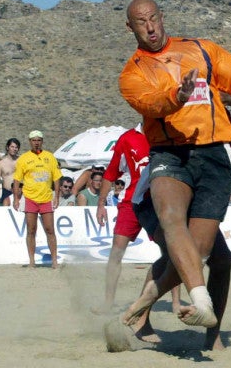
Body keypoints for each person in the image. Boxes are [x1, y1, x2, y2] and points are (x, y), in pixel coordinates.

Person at [118, 0, 231, 328]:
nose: (150, 26)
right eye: (141, 22)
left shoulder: (201, 49)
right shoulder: (132, 73)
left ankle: (140, 307)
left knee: (201, 253)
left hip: (212, 159)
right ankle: (199, 302)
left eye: (154, 17)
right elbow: (151, 104)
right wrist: (176, 96)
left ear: (162, 15)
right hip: (170, 156)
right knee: (173, 225)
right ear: (131, 27)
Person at [116, 132, 231, 350]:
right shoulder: (193, 113)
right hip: (153, 196)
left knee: (221, 260)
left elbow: (224, 165)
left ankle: (212, 334)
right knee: (179, 252)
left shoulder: (221, 121)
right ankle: (138, 318)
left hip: (194, 195)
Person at [92, 125, 180, 324]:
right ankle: (108, 302)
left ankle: (175, 302)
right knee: (116, 252)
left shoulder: (166, 134)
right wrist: (101, 203)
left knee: (174, 250)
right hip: (132, 201)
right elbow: (112, 171)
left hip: (160, 201)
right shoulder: (128, 138)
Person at [13, 130, 63, 268]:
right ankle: (31, 261)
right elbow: (17, 180)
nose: (36, 142)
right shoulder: (23, 158)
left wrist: (56, 196)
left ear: (42, 141)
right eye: (34, 140)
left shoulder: (50, 157)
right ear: (30, 141)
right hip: (30, 197)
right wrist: (16, 199)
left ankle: (54, 261)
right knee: (31, 230)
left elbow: (57, 178)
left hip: (46, 197)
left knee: (50, 230)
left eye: (39, 140)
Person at [0, 138, 21, 206]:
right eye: (12, 146)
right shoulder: (0, 164)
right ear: (7, 147)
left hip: (20, 192)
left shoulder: (21, 161)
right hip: (7, 193)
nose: (14, 149)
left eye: (16, 147)